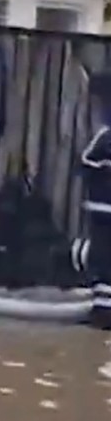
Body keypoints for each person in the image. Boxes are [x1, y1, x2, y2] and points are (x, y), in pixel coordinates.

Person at [80, 73, 111, 330]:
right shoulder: (105, 137)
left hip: (101, 210)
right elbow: (88, 161)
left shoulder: (104, 136)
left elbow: (85, 162)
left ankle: (102, 312)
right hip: (102, 211)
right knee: (102, 258)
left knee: (103, 259)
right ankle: (103, 311)